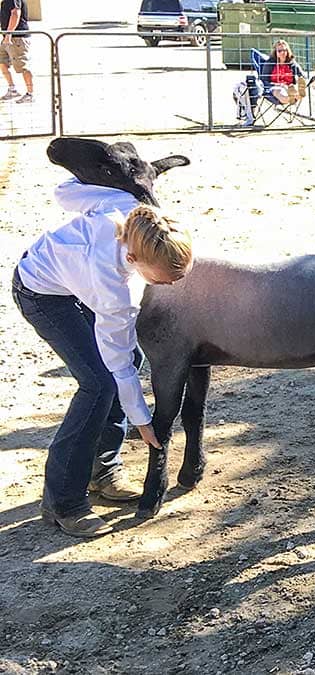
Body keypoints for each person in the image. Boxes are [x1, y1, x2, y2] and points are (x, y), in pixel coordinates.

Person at [14, 193, 193, 537]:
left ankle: (103, 468)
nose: (171, 285)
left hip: (75, 283)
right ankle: (63, 500)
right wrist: (143, 422)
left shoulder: (131, 209)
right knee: (98, 384)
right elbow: (118, 364)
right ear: (132, 257)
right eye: (162, 280)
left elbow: (66, 193)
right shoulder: (115, 290)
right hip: (39, 291)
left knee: (129, 360)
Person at [232, 39, 307, 126]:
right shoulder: (270, 63)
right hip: (274, 87)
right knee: (279, 91)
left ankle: (296, 95)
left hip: (289, 86)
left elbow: (302, 76)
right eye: (280, 51)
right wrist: (277, 84)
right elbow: (263, 80)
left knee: (295, 87)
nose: (283, 52)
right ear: (276, 52)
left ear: (288, 51)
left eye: (285, 50)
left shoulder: (292, 63)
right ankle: (293, 97)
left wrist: (304, 81)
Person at [0, 0, 33, 103]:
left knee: (22, 66)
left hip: (17, 38)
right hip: (7, 37)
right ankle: (12, 89)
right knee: (2, 62)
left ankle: (30, 94)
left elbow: (15, 13)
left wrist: (9, 34)